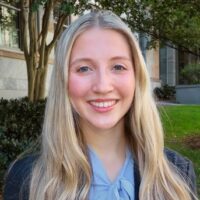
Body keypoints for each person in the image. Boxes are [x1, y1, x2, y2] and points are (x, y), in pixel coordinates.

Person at [3, 10, 198, 200]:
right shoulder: (26, 181)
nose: (103, 86)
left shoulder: (177, 175)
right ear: (63, 80)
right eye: (84, 68)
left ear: (136, 77)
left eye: (118, 67)